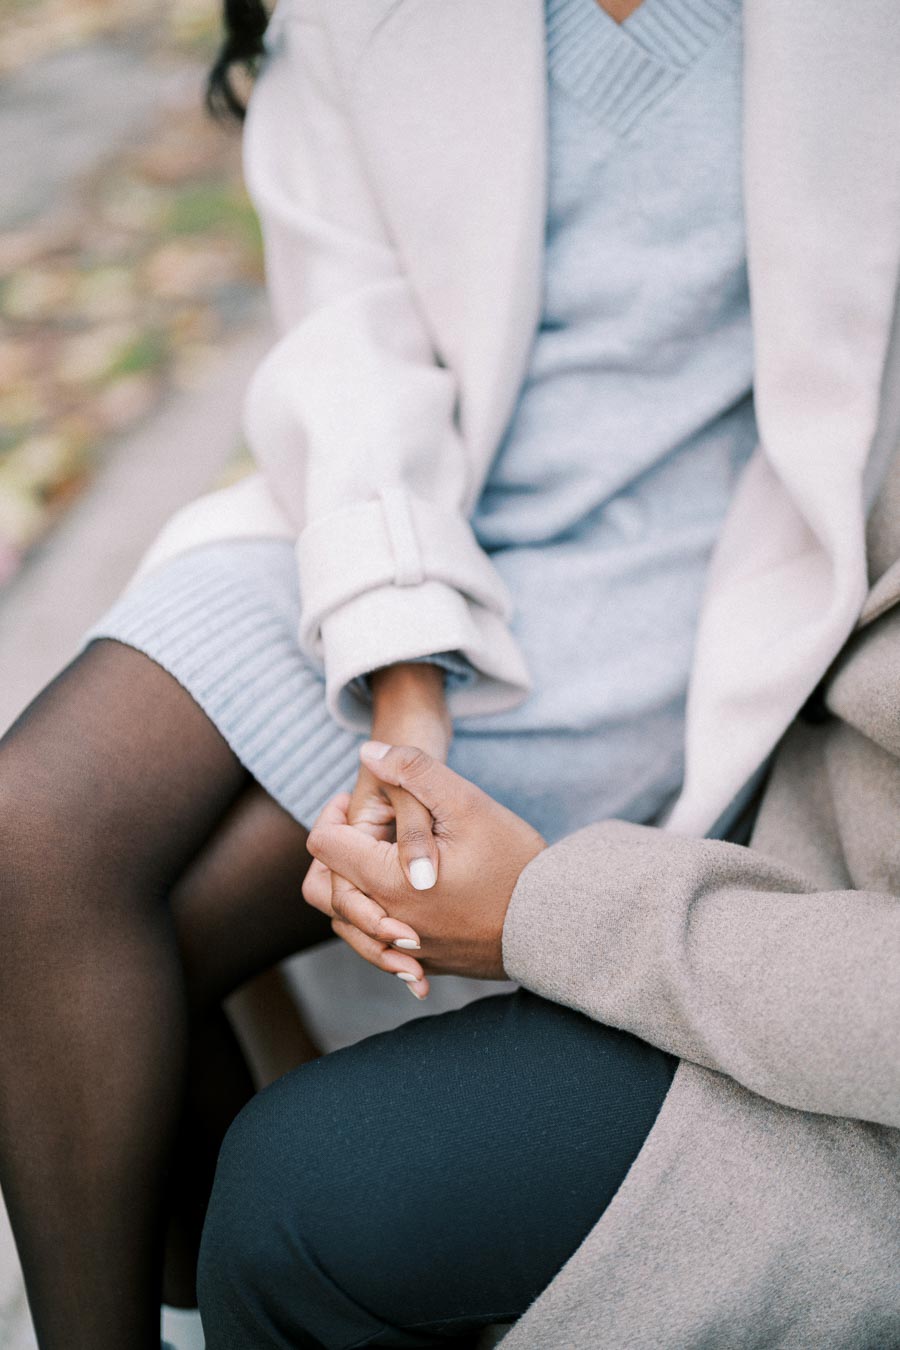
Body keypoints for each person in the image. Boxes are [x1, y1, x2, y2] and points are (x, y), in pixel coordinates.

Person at [0, 0, 896, 1345]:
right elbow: (349, 349)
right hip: (398, 512)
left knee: (148, 938)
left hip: (691, 583)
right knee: (27, 838)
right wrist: (403, 663)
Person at [197, 444, 900, 1346]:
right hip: (786, 842)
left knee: (286, 1204)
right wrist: (405, 664)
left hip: (844, 1075)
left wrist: (541, 909)